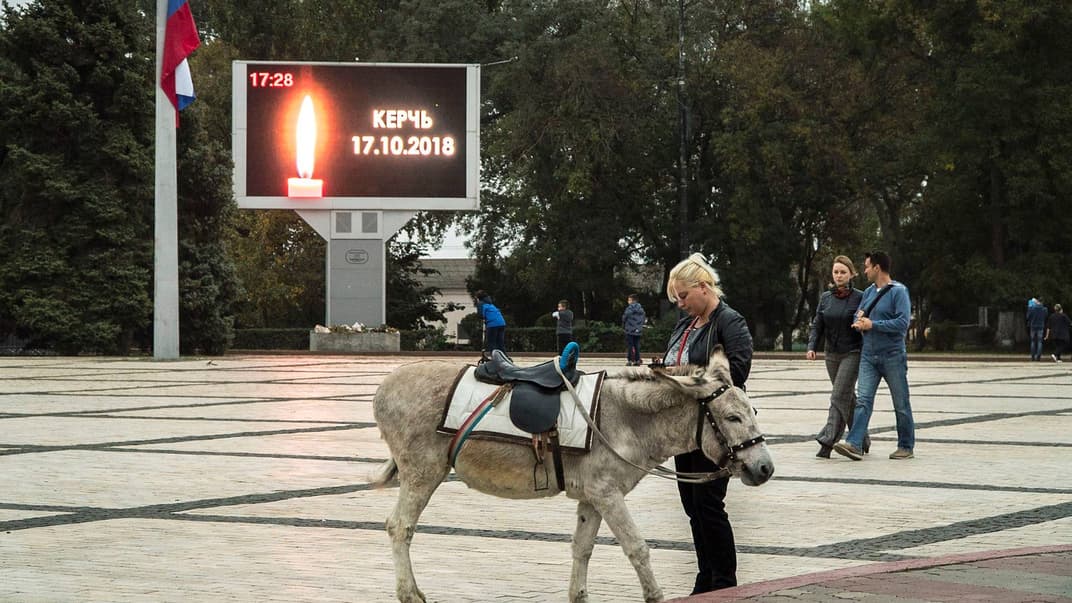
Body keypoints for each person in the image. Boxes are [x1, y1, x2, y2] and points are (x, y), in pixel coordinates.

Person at [663, 252, 753, 593]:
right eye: (677, 299)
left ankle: (724, 583)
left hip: (716, 428)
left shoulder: (729, 321)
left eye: (683, 296)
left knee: (709, 503)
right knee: (691, 504)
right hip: (684, 427)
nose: (681, 305)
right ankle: (705, 578)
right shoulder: (686, 324)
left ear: (703, 287)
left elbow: (738, 371)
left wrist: (687, 378)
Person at [833, 251, 916, 461]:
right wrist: (859, 322)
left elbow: (902, 323)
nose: (865, 270)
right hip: (869, 355)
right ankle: (854, 444)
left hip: (892, 356)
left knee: (901, 403)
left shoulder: (899, 292)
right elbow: (859, 313)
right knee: (863, 400)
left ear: (877, 268)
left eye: (868, 266)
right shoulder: (869, 292)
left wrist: (874, 325)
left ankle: (905, 445)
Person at [805, 255, 870, 458]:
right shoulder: (825, 298)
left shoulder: (861, 296)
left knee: (838, 396)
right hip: (831, 354)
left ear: (851, 274)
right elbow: (818, 324)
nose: (839, 275)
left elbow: (865, 319)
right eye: (836, 272)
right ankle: (862, 438)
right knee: (847, 397)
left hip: (853, 352)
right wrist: (811, 346)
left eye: (843, 272)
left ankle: (827, 441)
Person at [622, 293, 646, 366]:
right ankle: (637, 360)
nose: (628, 301)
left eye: (629, 300)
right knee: (637, 345)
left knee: (630, 345)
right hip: (638, 330)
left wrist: (624, 325)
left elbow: (625, 317)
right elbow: (643, 319)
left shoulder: (629, 308)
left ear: (632, 300)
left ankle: (630, 360)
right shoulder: (641, 310)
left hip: (629, 330)